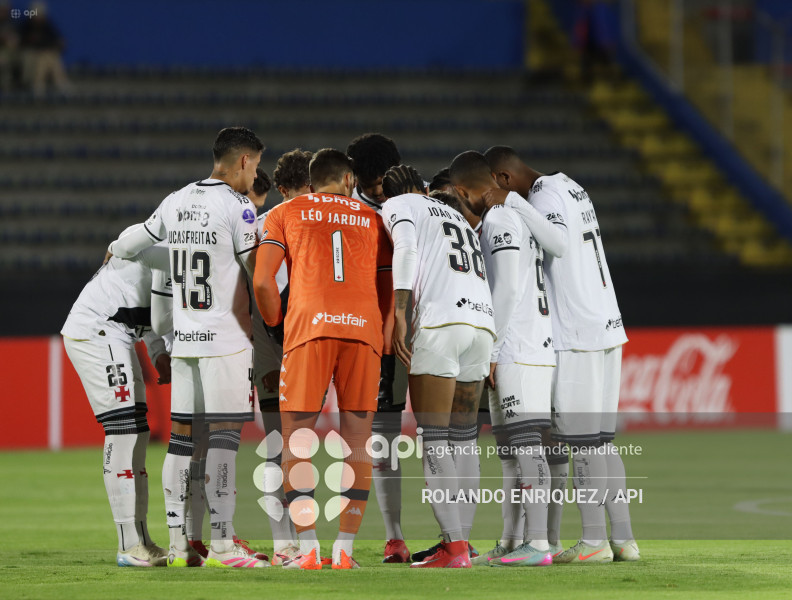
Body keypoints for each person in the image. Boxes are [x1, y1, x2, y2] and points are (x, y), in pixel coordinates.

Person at [107, 126, 268, 568]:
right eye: (254, 166)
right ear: (242, 161)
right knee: (223, 443)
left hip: (186, 341)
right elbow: (257, 275)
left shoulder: (176, 199)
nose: (254, 176)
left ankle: (178, 546)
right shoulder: (239, 208)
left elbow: (132, 241)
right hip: (226, 343)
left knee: (179, 443)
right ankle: (221, 545)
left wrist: (113, 249)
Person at [483, 145, 639, 563]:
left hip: (577, 331)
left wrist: (512, 202)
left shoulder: (542, 196)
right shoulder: (572, 187)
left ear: (502, 179)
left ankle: (593, 543)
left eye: (493, 189)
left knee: (584, 443)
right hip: (607, 323)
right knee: (603, 443)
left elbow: (559, 243)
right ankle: (623, 539)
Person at [253, 148, 393, 570]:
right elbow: (387, 282)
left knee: (295, 437)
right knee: (357, 440)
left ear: (311, 184)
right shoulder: (374, 219)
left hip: (309, 327)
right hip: (362, 331)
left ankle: (309, 549)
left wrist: (278, 321)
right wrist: (383, 334)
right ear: (349, 180)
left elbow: (262, 281)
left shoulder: (287, 212)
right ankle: (345, 551)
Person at [381, 164, 494, 569]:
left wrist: (398, 309)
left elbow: (407, 248)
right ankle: (464, 542)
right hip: (482, 324)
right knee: (464, 440)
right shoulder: (453, 213)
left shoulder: (398, 205)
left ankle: (454, 546)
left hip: (442, 323)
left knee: (434, 438)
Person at [449, 151, 555, 567]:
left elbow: (508, 288)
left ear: (462, 191)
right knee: (511, 453)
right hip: (519, 346)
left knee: (528, 449)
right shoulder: (512, 218)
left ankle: (540, 543)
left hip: (518, 349)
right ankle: (513, 541)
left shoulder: (499, 221)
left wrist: (490, 350)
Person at [61, 231, 171, 567]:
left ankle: (141, 540)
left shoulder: (169, 251)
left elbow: (152, 310)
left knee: (137, 433)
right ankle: (127, 545)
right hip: (99, 330)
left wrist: (157, 351)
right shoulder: (169, 248)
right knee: (124, 430)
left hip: (118, 332)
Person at [346, 133, 410, 563]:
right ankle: (390, 537)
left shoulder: (408, 208)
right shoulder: (341, 211)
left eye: (380, 183)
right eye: (368, 184)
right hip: (355, 339)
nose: (375, 191)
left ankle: (411, 536)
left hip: (401, 342)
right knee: (363, 438)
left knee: (400, 438)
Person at [248, 162, 302, 565]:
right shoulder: (268, 223)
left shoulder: (310, 217)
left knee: (292, 443)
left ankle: (299, 538)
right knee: (279, 442)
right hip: (274, 339)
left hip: (294, 337)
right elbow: (267, 285)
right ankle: (283, 541)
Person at [18, 2, 69, 95]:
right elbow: (22, 42)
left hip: (45, 54)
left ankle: (57, 83)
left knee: (50, 57)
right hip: (32, 53)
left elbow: (55, 40)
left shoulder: (47, 26)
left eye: (41, 15)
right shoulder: (26, 26)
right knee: (44, 58)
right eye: (37, 14)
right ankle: (40, 86)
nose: (39, 17)